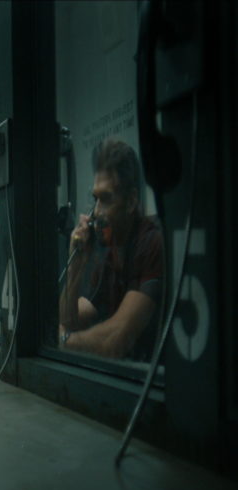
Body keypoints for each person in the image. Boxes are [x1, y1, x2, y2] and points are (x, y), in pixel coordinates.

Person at [59, 137, 163, 360]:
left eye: (106, 199)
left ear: (131, 201)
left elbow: (116, 340)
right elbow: (69, 320)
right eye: (95, 199)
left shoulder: (151, 243)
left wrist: (64, 341)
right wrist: (75, 265)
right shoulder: (110, 254)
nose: (96, 212)